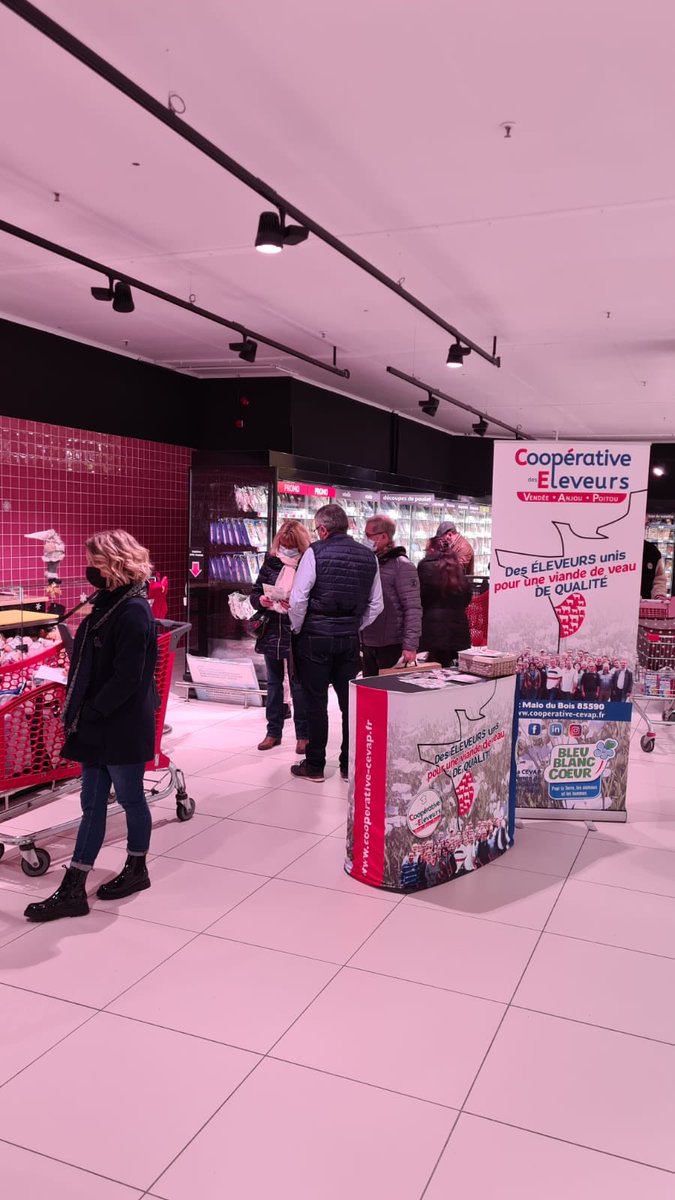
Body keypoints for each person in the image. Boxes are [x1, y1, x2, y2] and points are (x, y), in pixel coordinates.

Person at [24, 530, 158, 924]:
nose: (89, 572)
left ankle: (137, 868)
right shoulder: (107, 601)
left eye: (95, 564)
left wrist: (94, 710)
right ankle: (74, 885)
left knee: (132, 798)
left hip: (120, 722)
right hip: (95, 719)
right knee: (92, 804)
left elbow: (129, 676)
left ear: (116, 563)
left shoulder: (133, 610)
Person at [289, 503, 383, 782]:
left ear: (323, 529)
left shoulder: (314, 553)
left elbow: (298, 599)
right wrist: (355, 625)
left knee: (315, 701)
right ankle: (348, 765)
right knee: (349, 703)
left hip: (314, 638)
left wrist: (297, 627)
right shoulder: (369, 556)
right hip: (349, 640)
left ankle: (315, 765)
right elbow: (376, 604)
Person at [251, 519, 310, 753]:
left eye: (291, 545)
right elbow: (256, 591)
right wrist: (262, 600)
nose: (286, 548)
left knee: (298, 684)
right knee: (274, 684)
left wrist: (295, 603)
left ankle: (303, 735)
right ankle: (272, 732)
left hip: (296, 628)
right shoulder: (271, 561)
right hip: (272, 628)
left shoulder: (308, 562)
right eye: (283, 543)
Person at [361, 513, 422, 675]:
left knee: (389, 694)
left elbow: (413, 608)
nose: (364, 539)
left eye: (368, 535)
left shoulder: (402, 566)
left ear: (383, 537)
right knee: (369, 693)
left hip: (391, 644)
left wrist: (410, 645)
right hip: (368, 641)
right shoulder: (370, 561)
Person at [417, 537, 472, 668]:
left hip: (433, 629)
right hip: (459, 628)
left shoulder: (425, 566)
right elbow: (467, 596)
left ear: (431, 550)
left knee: (432, 672)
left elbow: (420, 597)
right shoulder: (456, 568)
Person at [642, 532, 668, 599]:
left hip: (644, 606)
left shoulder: (652, 551)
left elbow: (659, 579)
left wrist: (659, 595)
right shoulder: (614, 547)